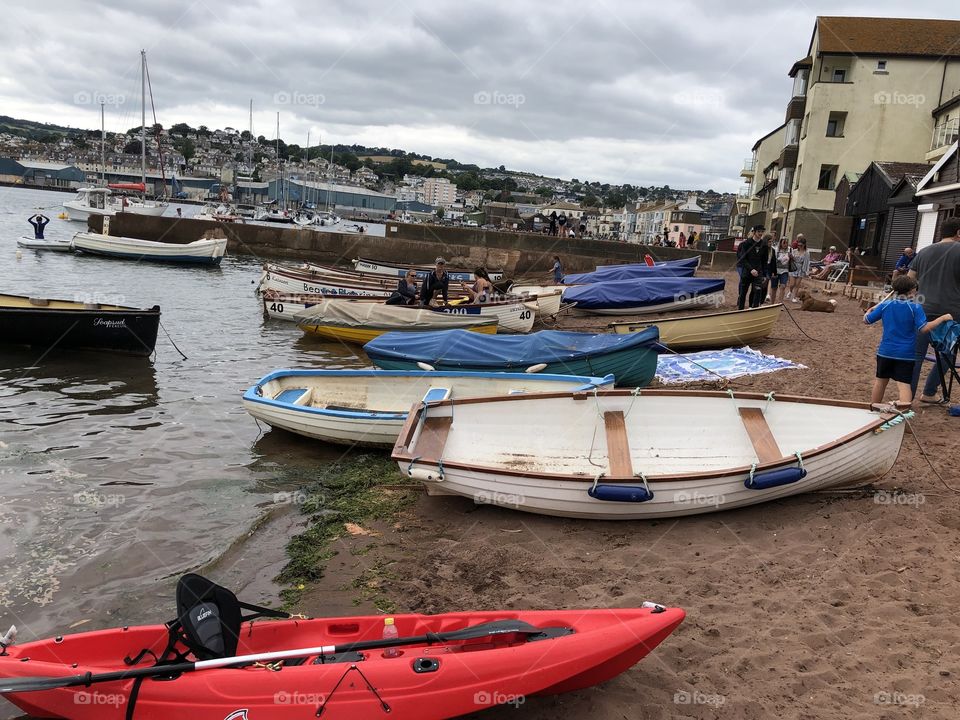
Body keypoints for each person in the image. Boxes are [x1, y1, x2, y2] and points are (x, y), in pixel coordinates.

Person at [865, 274, 952, 409]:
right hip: (905, 354)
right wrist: (942, 318)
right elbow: (924, 328)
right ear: (911, 291)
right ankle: (904, 414)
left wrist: (869, 311)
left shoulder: (885, 305)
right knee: (904, 385)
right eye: (915, 289)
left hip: (885, 352)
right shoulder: (915, 308)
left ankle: (873, 409)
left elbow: (867, 320)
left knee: (880, 382)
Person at [910, 218, 960, 403]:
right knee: (947, 354)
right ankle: (929, 392)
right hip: (951, 313)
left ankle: (907, 399)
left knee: (916, 356)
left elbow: (909, 280)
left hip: (922, 309)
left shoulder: (924, 251)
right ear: (958, 232)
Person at [736, 228, 767, 309]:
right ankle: (740, 309)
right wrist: (751, 269)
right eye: (759, 231)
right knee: (743, 292)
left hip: (758, 272)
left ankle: (754, 309)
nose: (760, 233)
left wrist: (764, 274)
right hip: (747, 271)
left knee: (757, 290)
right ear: (754, 232)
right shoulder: (746, 243)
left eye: (762, 232)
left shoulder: (764, 245)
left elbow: (764, 260)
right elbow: (742, 258)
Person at [786, 237, 811, 302]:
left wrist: (806, 271)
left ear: (804, 245)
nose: (799, 246)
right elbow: (791, 259)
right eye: (798, 245)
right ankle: (790, 291)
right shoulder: (794, 251)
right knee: (792, 284)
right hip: (793, 268)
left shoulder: (806, 253)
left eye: (801, 245)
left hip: (801, 269)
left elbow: (806, 262)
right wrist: (791, 257)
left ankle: (794, 297)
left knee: (797, 284)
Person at [769, 237, 792, 304]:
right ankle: (772, 303)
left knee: (783, 286)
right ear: (780, 243)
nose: (785, 244)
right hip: (776, 270)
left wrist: (791, 257)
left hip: (785, 271)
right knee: (774, 288)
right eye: (784, 243)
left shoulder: (790, 250)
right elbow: (772, 260)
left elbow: (793, 259)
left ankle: (780, 302)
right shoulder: (776, 250)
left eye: (786, 243)